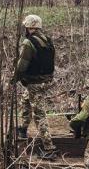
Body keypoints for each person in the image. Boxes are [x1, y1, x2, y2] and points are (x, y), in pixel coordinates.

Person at [10, 14, 57, 160]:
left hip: (35, 82)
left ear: (30, 27)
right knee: (25, 100)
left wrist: (14, 80)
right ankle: (23, 129)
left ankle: (49, 148)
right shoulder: (48, 41)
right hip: (46, 80)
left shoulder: (28, 43)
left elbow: (22, 65)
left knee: (39, 115)